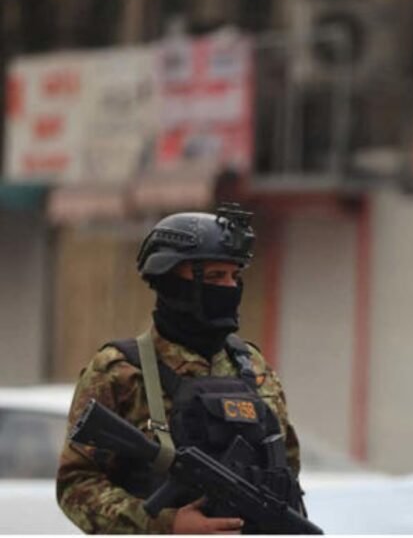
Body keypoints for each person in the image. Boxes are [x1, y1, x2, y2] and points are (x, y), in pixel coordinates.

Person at [57, 203, 305, 534]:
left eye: (235, 276)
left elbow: (286, 470)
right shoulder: (121, 371)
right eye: (215, 276)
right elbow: (76, 485)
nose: (230, 288)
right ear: (170, 280)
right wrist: (163, 523)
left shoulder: (254, 368)